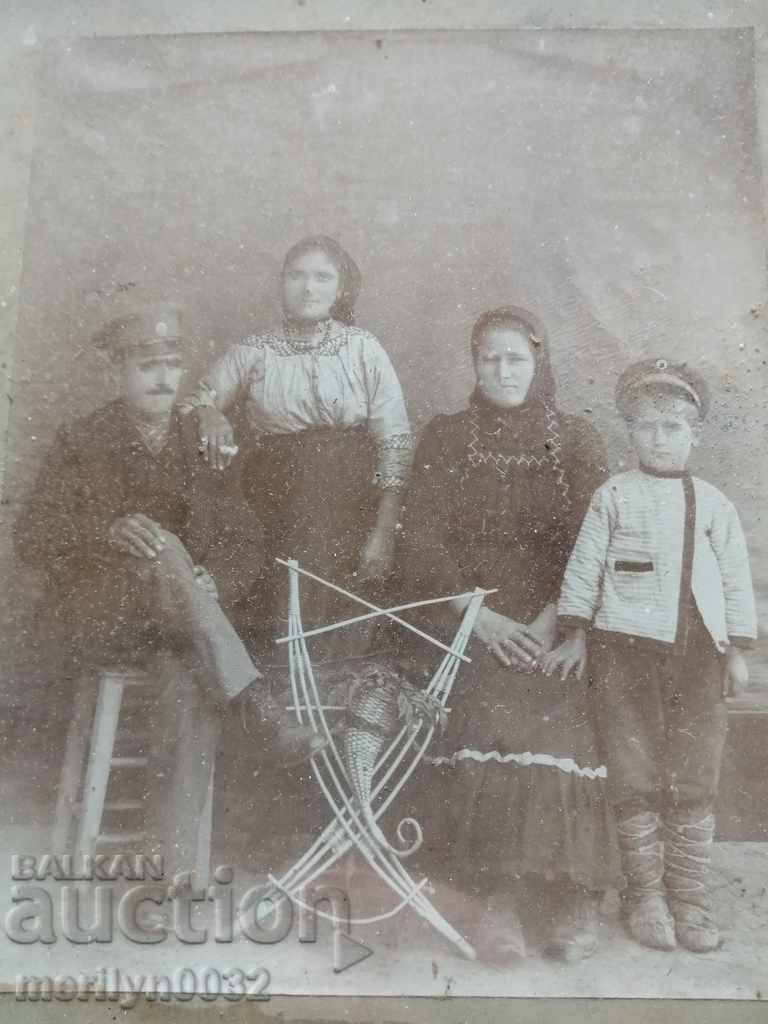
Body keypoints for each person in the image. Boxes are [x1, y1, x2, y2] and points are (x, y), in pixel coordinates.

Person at [14, 302, 318, 877]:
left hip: (181, 628)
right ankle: (254, 700)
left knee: (190, 677)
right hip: (102, 617)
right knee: (163, 548)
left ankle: (168, 877)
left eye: (172, 365)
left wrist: (212, 580)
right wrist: (105, 531)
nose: (161, 378)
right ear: (116, 371)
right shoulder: (83, 438)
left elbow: (244, 539)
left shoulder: (201, 438)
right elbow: (33, 535)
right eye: (146, 365)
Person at [396, 305, 617, 965]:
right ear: (474, 364)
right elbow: (419, 537)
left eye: (515, 357)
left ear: (538, 361)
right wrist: (477, 617)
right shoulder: (446, 436)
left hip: (556, 619)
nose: (502, 370)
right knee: (487, 710)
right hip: (469, 619)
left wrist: (555, 618)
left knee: (562, 713)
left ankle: (570, 897)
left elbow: (593, 540)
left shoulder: (575, 439)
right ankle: (497, 897)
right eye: (488, 358)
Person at [545, 358, 757, 954]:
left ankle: (689, 896)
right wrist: (576, 634)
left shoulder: (712, 503)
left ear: (696, 434)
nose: (659, 438)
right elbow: (585, 567)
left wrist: (737, 650)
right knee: (632, 768)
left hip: (699, 656)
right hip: (622, 654)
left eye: (672, 426)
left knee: (694, 768)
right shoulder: (613, 496)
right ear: (630, 431)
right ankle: (644, 896)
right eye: (646, 426)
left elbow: (734, 579)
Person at [181, 235, 414, 660]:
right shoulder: (253, 351)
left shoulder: (363, 348)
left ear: (341, 288)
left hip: (352, 503)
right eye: (297, 276)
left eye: (322, 277)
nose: (309, 288)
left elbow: (393, 443)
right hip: (277, 502)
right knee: (281, 615)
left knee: (345, 627)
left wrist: (382, 532)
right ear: (281, 284)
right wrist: (209, 413)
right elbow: (192, 403)